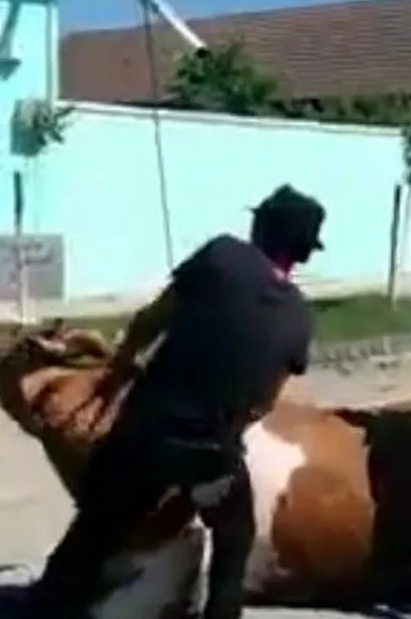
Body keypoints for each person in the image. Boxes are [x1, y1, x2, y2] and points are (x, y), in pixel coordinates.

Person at [20, 184, 324, 619]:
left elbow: (152, 320)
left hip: (147, 435)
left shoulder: (221, 255)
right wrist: (226, 432)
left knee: (95, 529)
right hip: (211, 454)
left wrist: (119, 369)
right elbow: (264, 400)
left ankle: (48, 606)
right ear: (304, 253)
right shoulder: (300, 318)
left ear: (260, 228)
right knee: (234, 538)